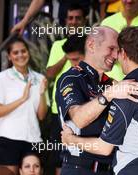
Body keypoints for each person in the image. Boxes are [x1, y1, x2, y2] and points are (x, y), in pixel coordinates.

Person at [61, 26, 138, 175]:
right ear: (92, 45)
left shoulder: (125, 90)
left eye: (117, 50)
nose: (114, 55)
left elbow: (105, 148)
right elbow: (78, 119)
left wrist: (70, 139)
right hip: (81, 169)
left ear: (123, 53)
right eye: (111, 48)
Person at [45, 4, 87, 175]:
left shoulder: (90, 45)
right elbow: (49, 73)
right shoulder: (58, 45)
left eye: (78, 18)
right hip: (60, 111)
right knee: (60, 157)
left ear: (84, 21)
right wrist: (67, 52)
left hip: (85, 111)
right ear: (65, 22)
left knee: (83, 154)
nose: (74, 22)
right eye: (70, 18)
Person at [0, 38, 48, 175]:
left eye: (23, 51)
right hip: (9, 137)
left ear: (28, 53)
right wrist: (22, 99)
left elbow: (42, 115)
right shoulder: (2, 78)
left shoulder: (39, 78)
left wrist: (42, 94)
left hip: (32, 138)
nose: (20, 55)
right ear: (9, 56)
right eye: (15, 52)